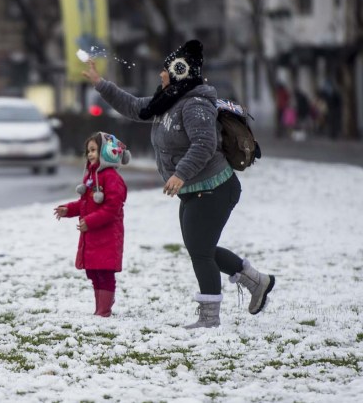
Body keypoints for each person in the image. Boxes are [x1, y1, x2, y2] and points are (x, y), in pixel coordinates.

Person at [82, 39, 275, 329]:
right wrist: (100, 83)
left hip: (214, 187)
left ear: (179, 72)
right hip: (194, 190)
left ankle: (209, 318)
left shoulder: (195, 104)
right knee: (202, 249)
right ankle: (256, 281)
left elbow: (204, 144)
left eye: (165, 70)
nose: (160, 75)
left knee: (200, 250)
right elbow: (135, 107)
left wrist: (180, 173)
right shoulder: (167, 101)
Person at [54, 132, 130, 317]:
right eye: (88, 151)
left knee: (104, 273)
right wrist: (69, 210)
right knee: (94, 273)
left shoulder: (111, 178)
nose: (89, 154)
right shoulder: (91, 177)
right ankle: (100, 307)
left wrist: (89, 221)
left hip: (107, 236)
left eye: (94, 150)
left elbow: (112, 208)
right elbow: (85, 203)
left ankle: (103, 310)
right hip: (93, 236)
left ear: (106, 152)